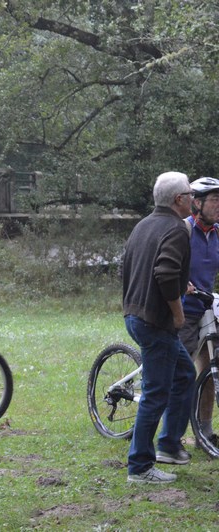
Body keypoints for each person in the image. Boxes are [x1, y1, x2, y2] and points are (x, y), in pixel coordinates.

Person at [122, 171, 196, 484]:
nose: (194, 198)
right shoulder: (176, 228)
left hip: (135, 316)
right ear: (179, 199)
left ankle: (168, 445)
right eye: (191, 194)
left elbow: (127, 266)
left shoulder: (144, 225)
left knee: (184, 374)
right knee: (156, 392)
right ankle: (139, 466)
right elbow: (165, 275)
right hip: (156, 322)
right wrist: (178, 314)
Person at [180, 176, 219, 445]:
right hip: (181, 311)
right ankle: (172, 432)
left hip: (208, 309)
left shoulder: (217, 233)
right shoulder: (183, 230)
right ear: (197, 202)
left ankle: (204, 430)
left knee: (210, 370)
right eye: (215, 200)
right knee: (179, 374)